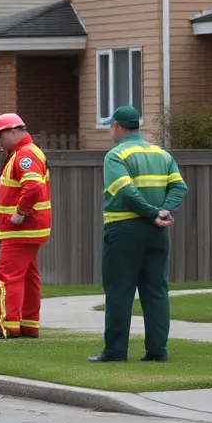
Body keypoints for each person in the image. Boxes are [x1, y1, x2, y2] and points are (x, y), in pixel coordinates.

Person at [89, 106, 188, 364]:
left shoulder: (116, 155)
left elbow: (125, 192)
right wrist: (163, 211)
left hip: (124, 230)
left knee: (119, 291)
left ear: (117, 126)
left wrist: (152, 212)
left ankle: (115, 351)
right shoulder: (161, 154)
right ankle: (157, 351)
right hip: (157, 233)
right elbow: (179, 186)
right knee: (156, 290)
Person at [0, 113, 51, 339]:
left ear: (13, 131)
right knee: (29, 277)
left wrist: (20, 214)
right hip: (29, 229)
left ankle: (8, 325)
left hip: (21, 230)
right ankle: (29, 324)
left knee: (7, 275)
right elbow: (16, 190)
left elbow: (32, 188)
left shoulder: (25, 154)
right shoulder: (24, 153)